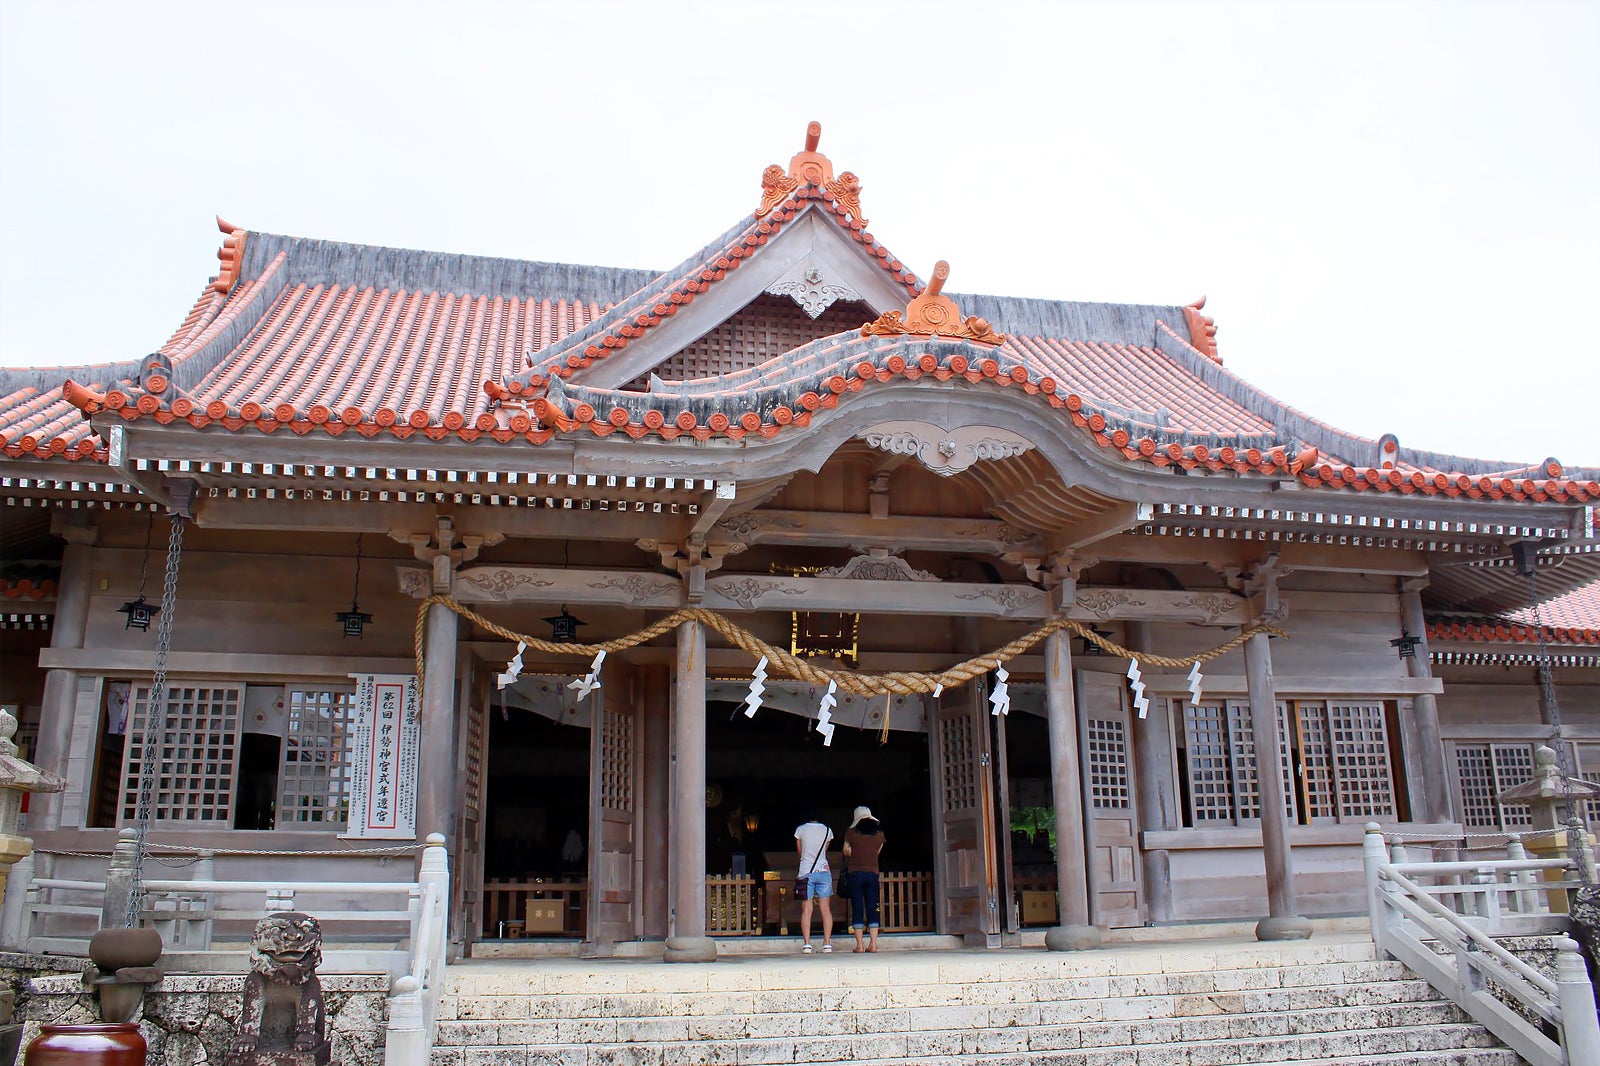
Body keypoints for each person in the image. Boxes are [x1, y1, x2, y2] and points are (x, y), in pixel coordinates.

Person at [842, 806, 885, 952]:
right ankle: (873, 944)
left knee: (857, 907)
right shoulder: (879, 833)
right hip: (872, 873)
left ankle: (859, 945)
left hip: (855, 873)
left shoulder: (851, 832)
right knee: (873, 906)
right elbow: (877, 852)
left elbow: (846, 851)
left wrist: (854, 852)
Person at [793, 814, 834, 953]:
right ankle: (827, 943)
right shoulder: (828, 830)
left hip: (806, 871)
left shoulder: (800, 830)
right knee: (825, 909)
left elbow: (800, 852)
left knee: (806, 909)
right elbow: (825, 850)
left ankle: (807, 944)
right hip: (823, 870)